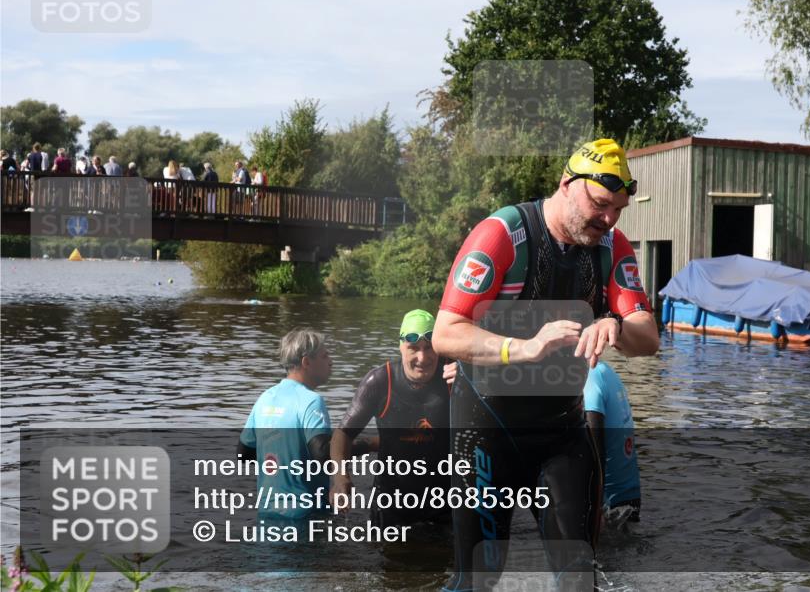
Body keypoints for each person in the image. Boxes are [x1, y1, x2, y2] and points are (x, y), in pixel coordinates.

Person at [433, 138, 659, 590]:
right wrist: (526, 347)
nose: (609, 219)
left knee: (579, 579)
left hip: (561, 433)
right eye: (599, 205)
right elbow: (446, 334)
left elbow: (647, 338)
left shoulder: (612, 247)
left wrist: (614, 324)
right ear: (566, 185)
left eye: (618, 209)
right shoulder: (502, 234)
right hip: (487, 431)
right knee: (478, 579)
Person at [331, 310, 456, 527]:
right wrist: (341, 478)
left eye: (429, 348)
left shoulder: (453, 377)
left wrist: (471, 376)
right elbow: (342, 434)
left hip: (443, 505)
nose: (422, 358)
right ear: (400, 346)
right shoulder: (379, 382)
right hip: (390, 503)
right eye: (413, 348)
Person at [238, 328, 333, 520]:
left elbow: (244, 455)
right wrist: (365, 446)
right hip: (307, 515)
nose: (331, 361)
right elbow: (323, 455)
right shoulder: (311, 401)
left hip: (267, 511)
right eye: (325, 356)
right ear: (306, 362)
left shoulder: (265, 398)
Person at [584, 361, 641, 528]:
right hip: (629, 498)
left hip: (608, 508)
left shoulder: (588, 379)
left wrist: (595, 508)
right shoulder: (604, 370)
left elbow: (594, 452)